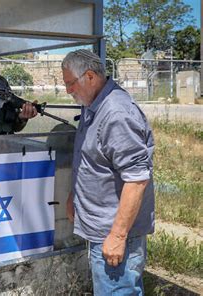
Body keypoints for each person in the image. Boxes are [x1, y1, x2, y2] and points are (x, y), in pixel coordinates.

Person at [62, 49, 155, 295]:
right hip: (101, 227)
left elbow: (136, 179)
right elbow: (91, 159)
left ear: (90, 77)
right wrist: (76, 197)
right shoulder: (93, 104)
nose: (68, 90)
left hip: (113, 233)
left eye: (70, 83)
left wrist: (117, 236)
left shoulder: (116, 113)